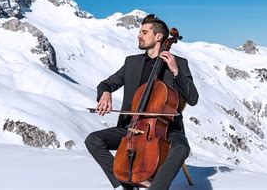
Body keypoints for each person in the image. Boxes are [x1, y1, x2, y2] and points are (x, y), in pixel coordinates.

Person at [85, 14, 199, 190]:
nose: (139, 36)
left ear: (159, 36)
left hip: (167, 128)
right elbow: (106, 83)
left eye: (144, 32)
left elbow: (193, 99)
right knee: (93, 140)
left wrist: (176, 71)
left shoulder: (179, 63)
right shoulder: (132, 62)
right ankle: (125, 185)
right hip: (130, 127)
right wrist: (105, 93)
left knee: (181, 148)